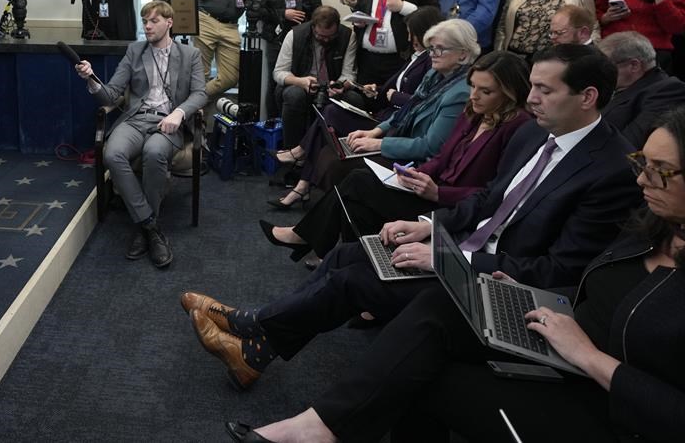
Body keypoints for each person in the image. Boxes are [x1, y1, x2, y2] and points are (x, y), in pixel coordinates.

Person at [183, 45, 640, 391]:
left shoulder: (609, 168)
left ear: (588, 97)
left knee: (352, 280)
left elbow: (562, 271)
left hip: (501, 284)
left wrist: (446, 259)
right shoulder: (537, 134)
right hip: (462, 245)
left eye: (544, 90)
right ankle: (256, 346)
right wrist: (430, 227)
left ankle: (251, 329)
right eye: (532, 87)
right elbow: (487, 200)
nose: (532, 98)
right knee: (347, 254)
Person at [223, 107, 685, 443]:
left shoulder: (607, 178)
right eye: (642, 165)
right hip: (565, 336)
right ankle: (309, 417)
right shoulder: (654, 225)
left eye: (661, 171)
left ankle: (287, 380)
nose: (643, 180)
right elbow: (588, 282)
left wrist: (589, 357)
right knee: (417, 306)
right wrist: (526, 292)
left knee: (412, 367)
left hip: (614, 400)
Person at [266, 51, 532, 258]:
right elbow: (442, 157)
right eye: (473, 86)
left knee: (357, 185)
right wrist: (416, 174)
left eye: (485, 91)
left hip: (452, 207)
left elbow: (496, 194)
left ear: (510, 93)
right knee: (357, 191)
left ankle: (310, 240)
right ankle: (351, 266)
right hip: (431, 190)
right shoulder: (474, 112)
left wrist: (437, 192)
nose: (473, 96)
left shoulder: (517, 128)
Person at [268, 19, 476, 209]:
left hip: (414, 160)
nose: (432, 54)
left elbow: (429, 146)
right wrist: (375, 132)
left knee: (334, 161)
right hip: (395, 131)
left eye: (440, 49)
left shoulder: (459, 93)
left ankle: (306, 183)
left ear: (463, 55)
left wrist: (379, 143)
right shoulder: (435, 75)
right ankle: (321, 213)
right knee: (331, 141)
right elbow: (408, 110)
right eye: (431, 48)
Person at [74, 0, 207, 268]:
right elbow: (111, 93)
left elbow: (200, 93)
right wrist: (90, 78)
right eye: (144, 21)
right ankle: (148, 225)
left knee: (155, 152)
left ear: (169, 22)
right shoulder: (135, 51)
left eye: (153, 21)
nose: (147, 26)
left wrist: (179, 113)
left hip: (168, 122)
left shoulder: (189, 54)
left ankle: (143, 226)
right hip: (135, 119)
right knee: (113, 153)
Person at [271, 6, 357, 149]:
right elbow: (279, 72)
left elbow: (349, 74)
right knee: (294, 95)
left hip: (332, 87)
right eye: (320, 36)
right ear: (313, 27)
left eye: (330, 36)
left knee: (354, 99)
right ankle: (292, 150)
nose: (326, 40)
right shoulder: (294, 35)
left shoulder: (347, 36)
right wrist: (300, 81)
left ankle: (343, 150)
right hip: (301, 85)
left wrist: (341, 85)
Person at [256, 0, 322, 118]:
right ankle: (274, 123)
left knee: (302, 82)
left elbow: (318, 7)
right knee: (275, 82)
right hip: (276, 40)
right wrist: (283, 13)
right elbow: (259, 10)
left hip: (303, 41)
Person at [598, 31, 685, 149]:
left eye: (606, 67)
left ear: (634, 65)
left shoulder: (667, 91)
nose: (601, 73)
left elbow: (630, 143)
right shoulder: (616, 86)